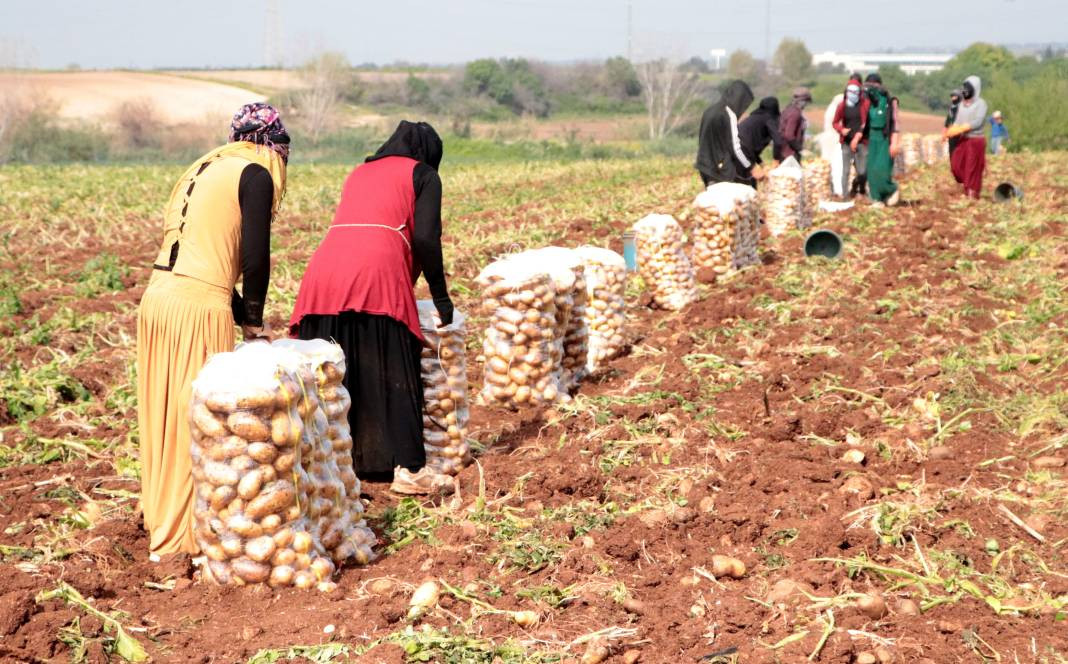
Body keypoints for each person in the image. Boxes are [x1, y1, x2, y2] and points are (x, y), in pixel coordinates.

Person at [137, 102, 289, 556]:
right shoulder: (255, 174)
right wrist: (255, 324)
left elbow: (200, 253)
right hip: (198, 309)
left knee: (163, 416)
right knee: (199, 423)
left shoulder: (203, 167)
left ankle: (159, 513)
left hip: (158, 299)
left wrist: (242, 312)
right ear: (275, 147)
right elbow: (255, 259)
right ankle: (181, 538)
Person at [289, 121, 454, 495]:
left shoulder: (360, 171)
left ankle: (330, 471)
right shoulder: (423, 175)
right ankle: (410, 469)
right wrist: (441, 299)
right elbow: (427, 238)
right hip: (375, 272)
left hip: (324, 273)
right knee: (395, 367)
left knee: (335, 377)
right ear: (428, 154)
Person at [695, 80, 756, 186]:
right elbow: (735, 148)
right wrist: (751, 167)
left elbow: (702, 138)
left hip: (703, 165)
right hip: (720, 170)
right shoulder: (728, 114)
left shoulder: (710, 110)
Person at [862, 74, 900, 206]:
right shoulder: (867, 103)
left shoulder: (890, 102)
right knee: (872, 172)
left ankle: (892, 189)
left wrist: (894, 143)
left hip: (885, 139)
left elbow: (895, 123)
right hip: (872, 139)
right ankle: (876, 199)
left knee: (882, 170)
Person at [947, 76, 988, 199]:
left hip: (976, 139)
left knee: (971, 167)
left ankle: (972, 191)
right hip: (963, 139)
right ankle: (967, 184)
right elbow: (957, 121)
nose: (965, 90)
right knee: (956, 164)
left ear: (975, 89)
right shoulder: (961, 105)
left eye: (968, 88)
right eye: (964, 88)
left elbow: (978, 121)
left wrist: (965, 127)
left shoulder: (981, 104)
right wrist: (952, 130)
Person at [832, 80, 871, 198]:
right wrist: (841, 130)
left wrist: (859, 135)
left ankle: (861, 189)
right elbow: (835, 122)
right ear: (847, 92)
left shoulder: (864, 105)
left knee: (862, 171)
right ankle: (845, 196)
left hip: (861, 142)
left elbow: (866, 123)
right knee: (846, 170)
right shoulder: (842, 106)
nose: (853, 94)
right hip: (847, 142)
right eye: (850, 91)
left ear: (859, 93)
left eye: (855, 91)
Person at [737, 96, 783, 187]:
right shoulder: (769, 118)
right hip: (742, 154)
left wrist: (762, 164)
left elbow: (752, 147)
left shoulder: (754, 119)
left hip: (736, 154)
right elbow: (778, 141)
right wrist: (776, 160)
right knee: (748, 186)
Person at [778, 87, 812, 162]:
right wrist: (800, 149)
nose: (806, 104)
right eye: (806, 102)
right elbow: (789, 135)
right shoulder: (795, 113)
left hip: (783, 151)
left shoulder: (788, 110)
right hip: (790, 153)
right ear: (802, 101)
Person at [943, 90, 962, 156]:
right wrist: (944, 133)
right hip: (951, 134)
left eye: (954, 96)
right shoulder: (951, 108)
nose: (953, 98)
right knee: (952, 153)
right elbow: (947, 122)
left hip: (960, 134)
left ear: (959, 97)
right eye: (952, 97)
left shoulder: (962, 108)